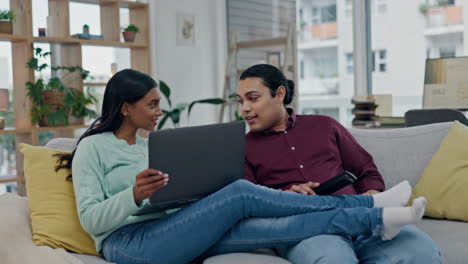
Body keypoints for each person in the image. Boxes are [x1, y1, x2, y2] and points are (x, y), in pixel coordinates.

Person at [55, 69, 426, 264]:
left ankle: (379, 219)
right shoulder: (93, 149)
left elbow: (169, 200)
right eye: (151, 104)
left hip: (174, 229)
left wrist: (189, 191)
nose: (159, 111)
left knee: (280, 226)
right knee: (241, 194)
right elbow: (91, 222)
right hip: (129, 245)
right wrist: (135, 194)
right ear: (124, 107)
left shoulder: (154, 144)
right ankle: (369, 206)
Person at [236, 64, 442, 264]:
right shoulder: (242, 148)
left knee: (420, 252)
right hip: (308, 230)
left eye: (253, 98)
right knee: (334, 259)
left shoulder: (325, 125)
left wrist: (370, 193)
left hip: (362, 219)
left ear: (279, 94)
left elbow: (366, 171)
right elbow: (251, 206)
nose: (245, 108)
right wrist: (286, 195)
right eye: (241, 101)